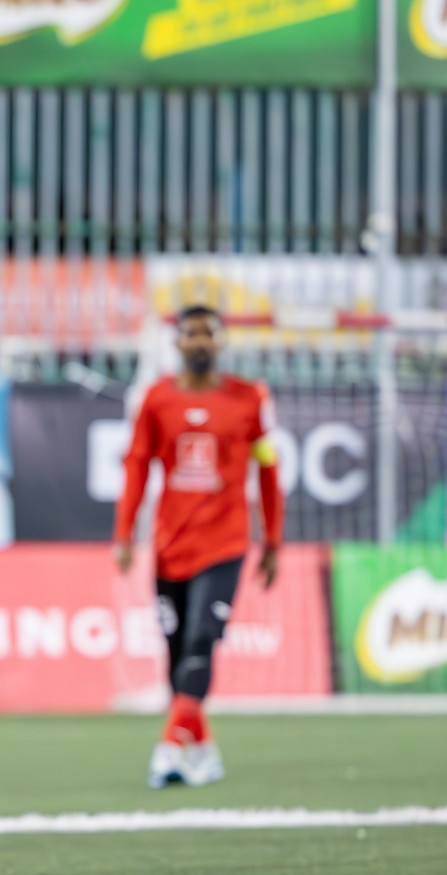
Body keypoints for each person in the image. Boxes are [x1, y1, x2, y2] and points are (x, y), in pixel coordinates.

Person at [113, 305, 284, 789]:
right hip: (170, 545)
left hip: (227, 542)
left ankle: (168, 748)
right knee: (176, 656)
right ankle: (204, 751)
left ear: (223, 341)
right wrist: (123, 534)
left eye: (210, 333)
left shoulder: (250, 399)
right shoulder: (155, 400)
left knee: (201, 641)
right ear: (177, 342)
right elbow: (136, 469)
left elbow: (268, 470)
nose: (201, 341)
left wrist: (272, 539)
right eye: (192, 333)